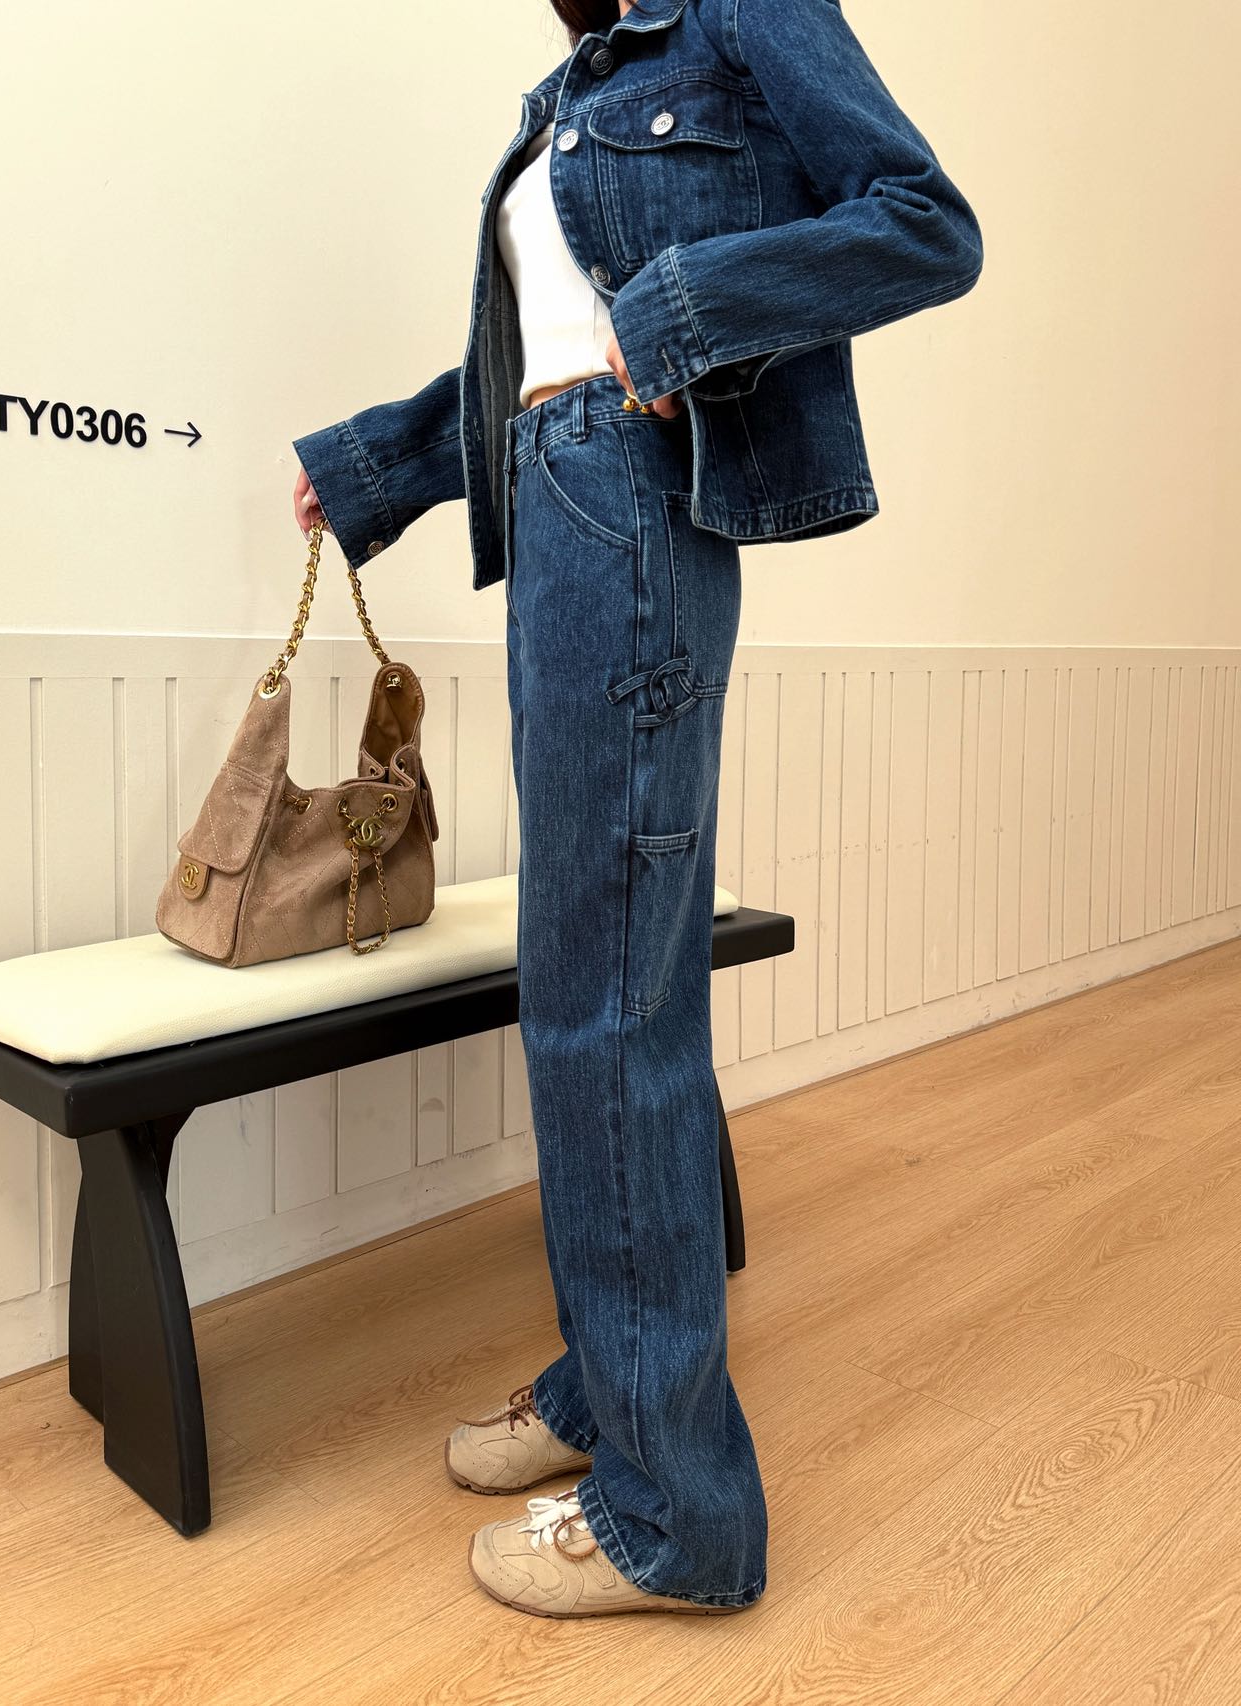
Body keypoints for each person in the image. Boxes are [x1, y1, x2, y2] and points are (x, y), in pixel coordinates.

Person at [291, 0, 982, 1619]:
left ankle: (678, 1514)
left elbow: (922, 222)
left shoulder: (743, 12)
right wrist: (379, 464)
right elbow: (533, 357)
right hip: (556, 502)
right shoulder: (573, 86)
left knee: (609, 1003)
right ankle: (614, 1386)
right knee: (587, 990)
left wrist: (684, 312)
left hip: (631, 504)